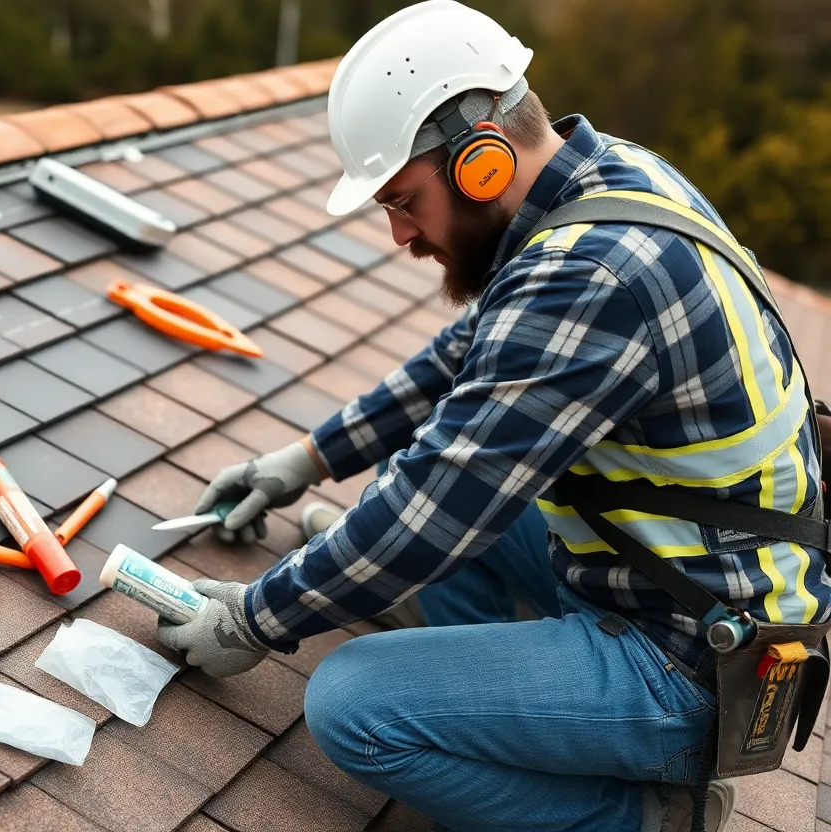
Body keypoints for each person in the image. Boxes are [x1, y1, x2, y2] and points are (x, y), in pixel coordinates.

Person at [155, 3, 831, 832]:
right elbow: (460, 363)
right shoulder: (608, 180)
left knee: (356, 702)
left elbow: (433, 510)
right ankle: (485, 683)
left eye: (403, 200)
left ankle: (647, 816)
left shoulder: (590, 274)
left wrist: (254, 620)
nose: (401, 234)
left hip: (694, 662)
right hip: (683, 581)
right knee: (410, 517)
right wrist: (307, 458)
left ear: (480, 161)